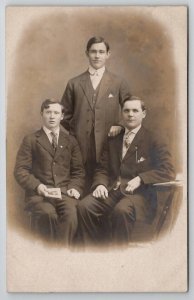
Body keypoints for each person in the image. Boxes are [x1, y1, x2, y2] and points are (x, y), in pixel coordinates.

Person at [77, 96, 175, 245]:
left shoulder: (154, 139)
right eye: (126, 111)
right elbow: (102, 168)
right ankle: (96, 252)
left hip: (139, 195)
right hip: (111, 191)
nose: (130, 114)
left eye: (135, 110)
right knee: (84, 207)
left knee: (121, 211)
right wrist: (100, 185)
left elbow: (168, 170)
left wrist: (141, 178)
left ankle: (118, 257)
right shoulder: (114, 139)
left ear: (144, 113)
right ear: (122, 113)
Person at [61, 36, 131, 191]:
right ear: (87, 53)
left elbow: (131, 110)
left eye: (101, 52)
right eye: (93, 52)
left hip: (109, 143)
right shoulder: (74, 83)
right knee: (80, 185)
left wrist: (119, 125)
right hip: (80, 145)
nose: (97, 56)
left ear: (108, 54)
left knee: (105, 186)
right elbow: (64, 115)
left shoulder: (118, 82)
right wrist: (76, 130)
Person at [14, 99, 85, 245]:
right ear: (42, 114)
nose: (52, 116)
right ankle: (51, 256)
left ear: (62, 116)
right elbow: (21, 170)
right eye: (48, 112)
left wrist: (74, 188)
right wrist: (38, 187)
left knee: (71, 215)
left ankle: (61, 255)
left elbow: (78, 171)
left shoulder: (70, 141)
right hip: (39, 195)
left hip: (64, 193)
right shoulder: (31, 140)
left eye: (56, 113)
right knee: (48, 215)